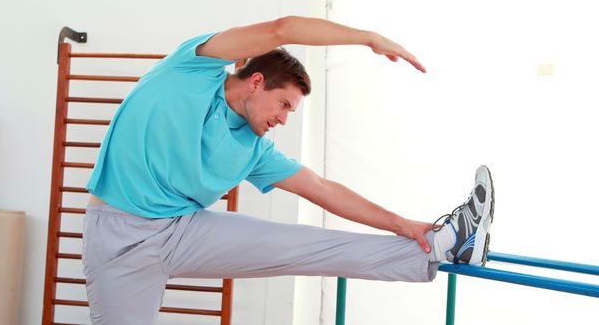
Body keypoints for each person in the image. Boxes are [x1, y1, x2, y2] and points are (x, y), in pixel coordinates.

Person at [83, 16, 495, 325]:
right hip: (118, 239)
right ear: (256, 81)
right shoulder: (189, 69)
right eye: (283, 104)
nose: (283, 119)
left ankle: (446, 244)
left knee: (308, 245)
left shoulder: (254, 150)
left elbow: (320, 188)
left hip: (182, 230)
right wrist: (367, 37)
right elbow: (281, 30)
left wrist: (403, 224)